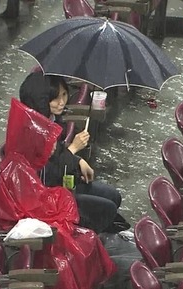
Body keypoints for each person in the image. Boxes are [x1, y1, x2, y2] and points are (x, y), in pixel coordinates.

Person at [0, 98, 116, 289]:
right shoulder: (19, 169)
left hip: (46, 210)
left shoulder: (23, 162)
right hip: (33, 234)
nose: (55, 146)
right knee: (85, 239)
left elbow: (40, 197)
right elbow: (31, 207)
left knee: (92, 223)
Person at [19, 72, 123, 234]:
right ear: (40, 100)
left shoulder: (51, 120)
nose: (62, 103)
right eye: (55, 98)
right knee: (107, 209)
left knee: (114, 196)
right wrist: (73, 148)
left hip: (61, 186)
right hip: (47, 200)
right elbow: (47, 177)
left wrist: (78, 162)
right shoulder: (32, 132)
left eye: (65, 95)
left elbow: (58, 154)